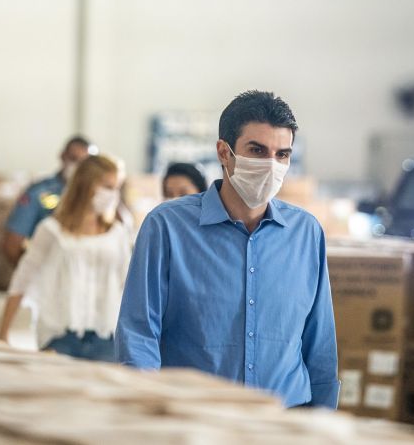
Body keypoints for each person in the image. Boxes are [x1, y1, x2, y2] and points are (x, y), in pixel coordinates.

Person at [115, 90, 340, 409]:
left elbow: (320, 342)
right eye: (257, 150)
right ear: (224, 152)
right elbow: (138, 335)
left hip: (286, 419)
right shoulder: (167, 228)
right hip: (195, 421)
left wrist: (323, 419)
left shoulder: (306, 233)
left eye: (282, 155)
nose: (271, 165)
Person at [0, 154, 132, 361]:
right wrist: (3, 333)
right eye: (107, 186)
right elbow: (22, 279)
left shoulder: (118, 234)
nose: (113, 195)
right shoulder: (51, 231)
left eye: (117, 188)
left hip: (107, 337)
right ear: (86, 185)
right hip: (59, 336)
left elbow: (131, 287)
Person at [2, 135, 92, 266]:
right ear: (62, 156)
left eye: (84, 163)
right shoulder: (39, 193)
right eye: (73, 159)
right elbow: (12, 245)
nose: (78, 167)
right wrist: (33, 276)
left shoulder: (96, 196)